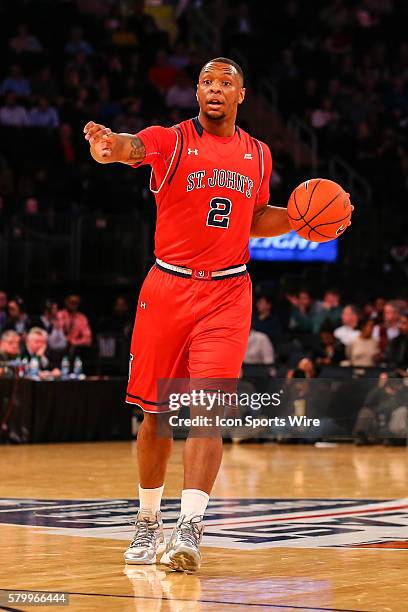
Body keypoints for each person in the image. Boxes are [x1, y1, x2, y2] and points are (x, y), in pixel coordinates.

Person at [84, 57, 318, 573]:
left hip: (228, 292)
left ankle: (191, 525)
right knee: (156, 415)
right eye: (207, 82)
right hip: (168, 286)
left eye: (225, 83)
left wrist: (302, 219)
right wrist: (111, 147)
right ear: (196, 93)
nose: (215, 89)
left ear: (241, 94)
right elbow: (133, 146)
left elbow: (254, 218)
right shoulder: (173, 140)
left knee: (208, 411)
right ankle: (149, 522)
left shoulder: (258, 153)